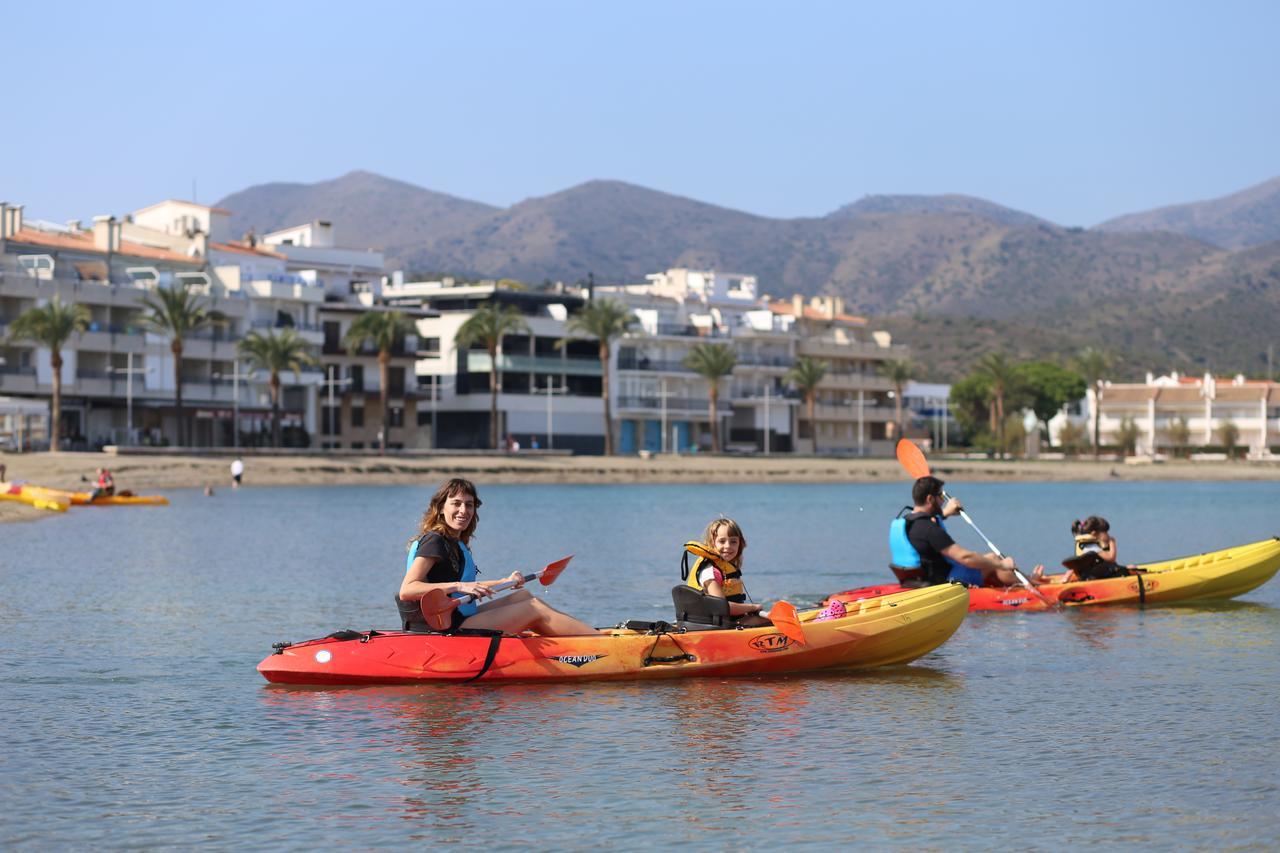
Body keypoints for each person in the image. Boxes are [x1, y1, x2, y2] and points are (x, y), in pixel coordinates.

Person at [397, 478, 601, 635]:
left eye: (469, 505)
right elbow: (408, 589)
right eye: (456, 503)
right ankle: (600, 643)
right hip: (445, 626)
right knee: (533, 610)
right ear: (441, 508)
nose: (463, 510)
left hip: (458, 616)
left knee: (525, 596)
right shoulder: (435, 541)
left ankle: (584, 634)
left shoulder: (455, 543)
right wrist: (459, 586)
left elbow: (468, 587)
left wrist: (505, 581)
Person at [894, 476, 1036, 587]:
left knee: (988, 563)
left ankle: (1020, 581)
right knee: (993, 559)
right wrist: (1003, 565)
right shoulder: (930, 529)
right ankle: (1033, 584)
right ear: (930, 499)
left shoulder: (905, 522)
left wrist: (945, 513)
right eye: (940, 496)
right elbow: (965, 557)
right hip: (944, 583)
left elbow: (924, 529)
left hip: (916, 580)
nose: (943, 501)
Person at [680, 517, 770, 626]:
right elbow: (721, 607)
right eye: (722, 541)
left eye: (733, 541)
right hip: (712, 626)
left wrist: (746, 610)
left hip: (723, 621)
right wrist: (753, 607)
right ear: (712, 543)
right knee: (770, 620)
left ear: (740, 544)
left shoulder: (724, 567)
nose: (728, 546)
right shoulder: (710, 572)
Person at [1035, 516, 1132, 583]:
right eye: (1105, 532)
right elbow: (1111, 558)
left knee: (1128, 567)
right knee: (1126, 570)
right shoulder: (1091, 546)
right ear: (1094, 533)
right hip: (1095, 577)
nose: (1108, 535)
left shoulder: (1085, 544)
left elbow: (1104, 556)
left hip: (1090, 575)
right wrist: (1112, 543)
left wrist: (1105, 544)